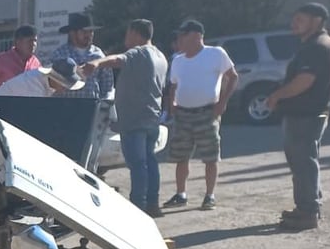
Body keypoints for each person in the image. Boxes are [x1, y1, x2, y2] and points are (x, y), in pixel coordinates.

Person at [80, 19, 168, 216]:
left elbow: (118, 60)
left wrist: (96, 63)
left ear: (136, 34)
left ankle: (138, 207)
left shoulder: (138, 53)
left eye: (128, 33)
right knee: (150, 162)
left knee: (138, 164)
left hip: (134, 120)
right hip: (153, 117)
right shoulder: (161, 56)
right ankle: (153, 203)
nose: (126, 38)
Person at [265, 2, 330, 231]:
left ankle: (308, 211)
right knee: (304, 161)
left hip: (305, 115)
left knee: (303, 162)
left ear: (316, 21)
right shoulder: (320, 44)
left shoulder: (316, 47)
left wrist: (276, 96)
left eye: (300, 19)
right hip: (311, 113)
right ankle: (306, 207)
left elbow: (305, 80)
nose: (293, 23)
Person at [162, 20, 238, 211]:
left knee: (210, 157)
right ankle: (181, 194)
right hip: (183, 114)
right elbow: (173, 85)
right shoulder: (178, 60)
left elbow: (233, 76)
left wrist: (222, 102)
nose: (179, 40)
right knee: (181, 156)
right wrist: (171, 105)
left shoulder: (215, 54)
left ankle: (209, 196)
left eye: (183, 35)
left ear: (196, 36)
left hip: (207, 112)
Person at [50, 13, 114, 99]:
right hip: (65, 108)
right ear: (72, 33)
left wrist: (104, 105)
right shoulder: (59, 55)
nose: (89, 35)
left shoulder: (98, 55)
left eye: (91, 31)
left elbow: (107, 86)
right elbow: (50, 85)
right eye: (84, 31)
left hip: (91, 108)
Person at [0, 25, 41, 93]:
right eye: (29, 41)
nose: (33, 44)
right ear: (18, 42)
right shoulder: (1, 60)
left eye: (35, 40)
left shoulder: (36, 63)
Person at [0, 58, 85, 97]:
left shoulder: (42, 81)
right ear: (54, 78)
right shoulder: (33, 86)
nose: (65, 88)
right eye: (64, 83)